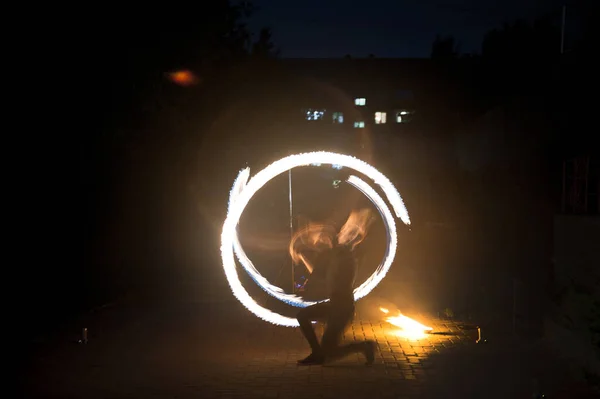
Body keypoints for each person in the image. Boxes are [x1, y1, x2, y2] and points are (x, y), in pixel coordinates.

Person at [294, 209, 376, 366]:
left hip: (342, 308)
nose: (340, 235)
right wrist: (303, 256)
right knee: (302, 316)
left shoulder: (347, 259)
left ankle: (364, 346)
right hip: (334, 305)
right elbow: (318, 274)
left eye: (344, 233)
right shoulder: (337, 256)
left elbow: (330, 273)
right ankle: (318, 353)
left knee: (329, 354)